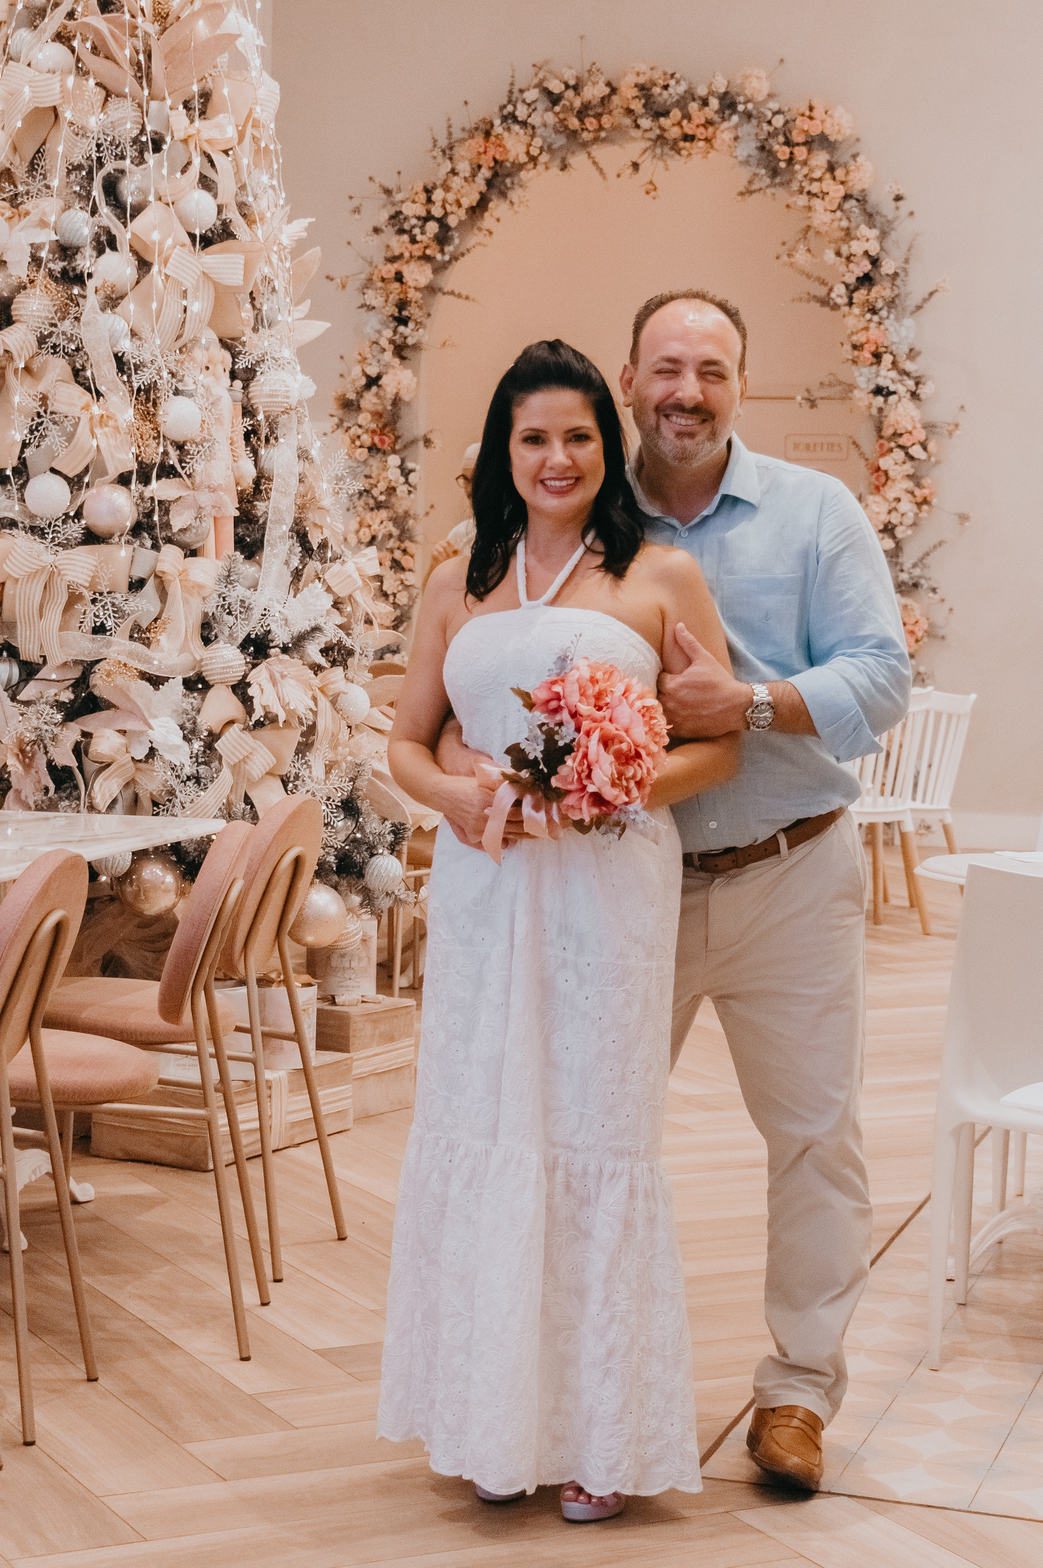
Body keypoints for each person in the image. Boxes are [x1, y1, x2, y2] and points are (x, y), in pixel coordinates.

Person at [378, 339, 739, 1521]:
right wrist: (456, 797)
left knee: (593, 1126)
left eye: (578, 435)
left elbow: (717, 745)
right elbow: (405, 742)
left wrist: (612, 786)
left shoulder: (661, 577)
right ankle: (495, 1422)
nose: (557, 457)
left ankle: (600, 1438)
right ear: (504, 449)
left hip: (605, 891)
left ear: (605, 444)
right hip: (484, 891)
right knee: (485, 1118)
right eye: (533, 437)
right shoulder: (457, 579)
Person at [618, 289, 911, 1491]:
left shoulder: (814, 511)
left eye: (712, 370)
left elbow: (883, 679)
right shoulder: (583, 516)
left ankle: (797, 1395)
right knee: (596, 1134)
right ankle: (595, 1387)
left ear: (740, 384)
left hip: (793, 870)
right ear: (630, 379)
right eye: (666, 368)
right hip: (630, 886)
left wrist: (747, 703)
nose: (687, 392)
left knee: (815, 1142)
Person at [422, 441, 479, 585]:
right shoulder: (461, 534)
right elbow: (428, 595)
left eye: (476, 479)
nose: (469, 489)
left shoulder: (522, 534)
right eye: (466, 480)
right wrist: (436, 566)